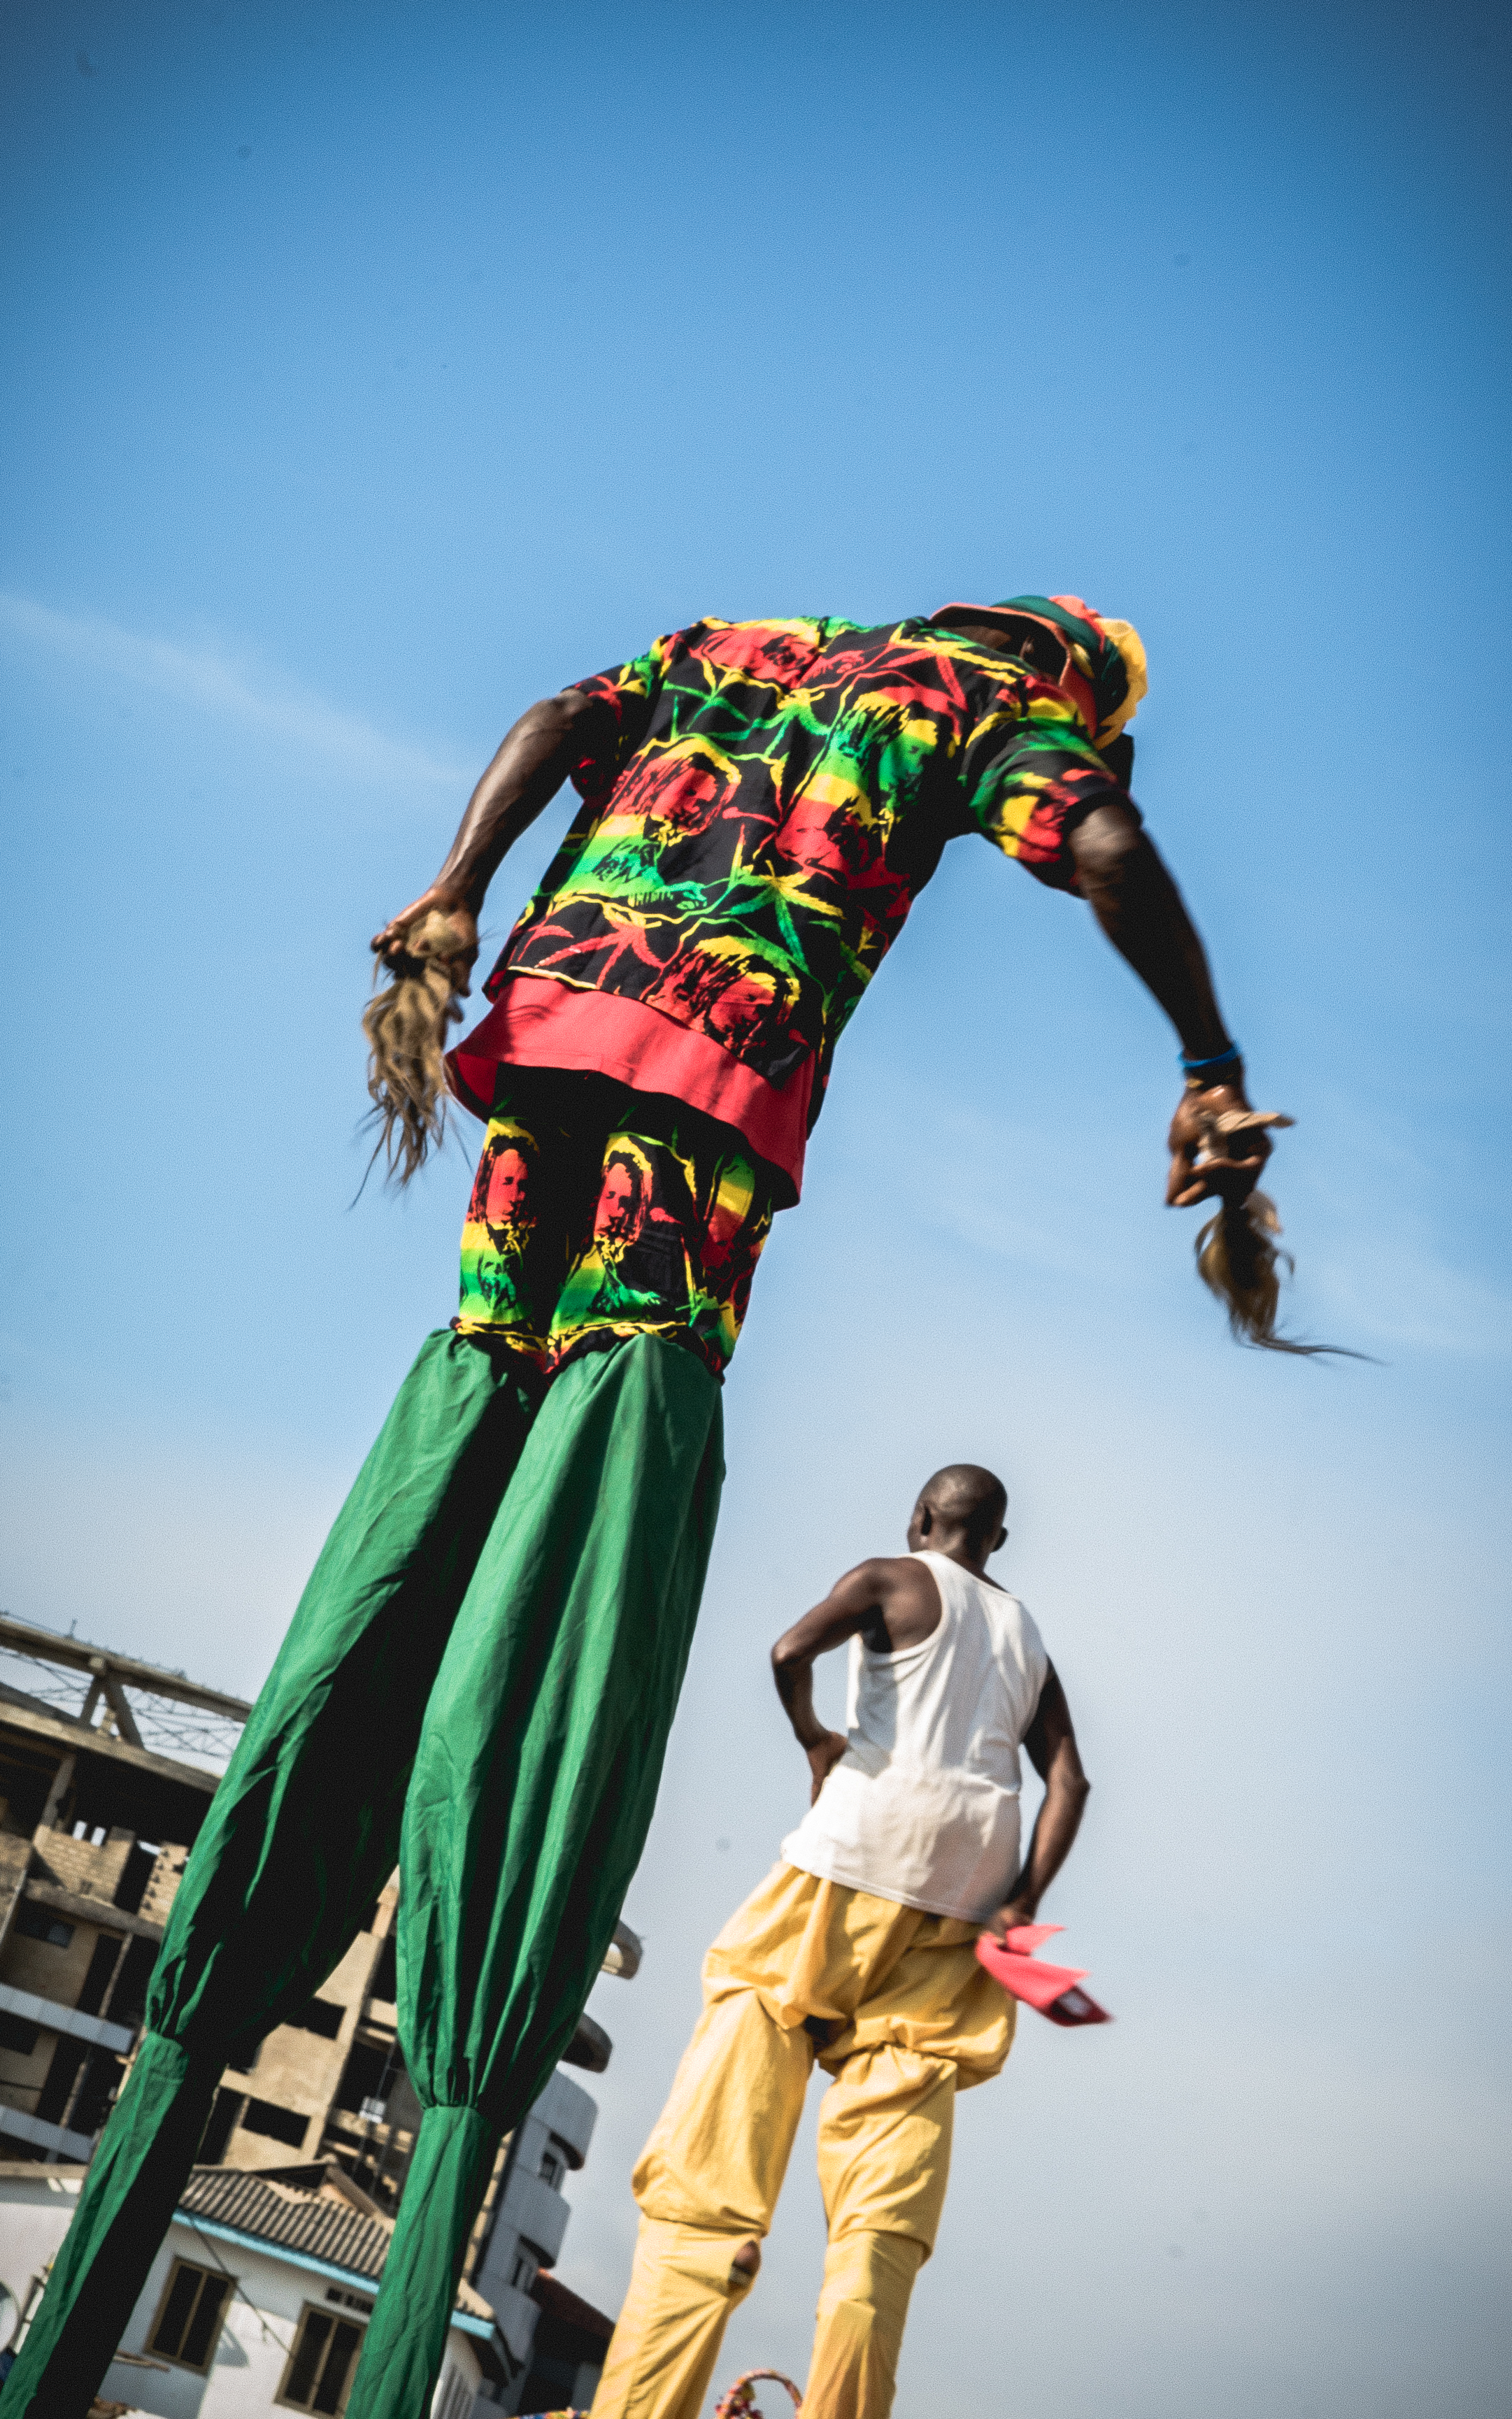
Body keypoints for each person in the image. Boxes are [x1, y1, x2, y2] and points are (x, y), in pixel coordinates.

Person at [4, 597, 1264, 2419]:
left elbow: (544, 712)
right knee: (630, 1376)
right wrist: (1204, 1061)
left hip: (541, 1041)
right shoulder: (994, 702)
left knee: (490, 1365)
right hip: (702, 1104)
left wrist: (450, 889)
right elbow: (1106, 845)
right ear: (1086, 682)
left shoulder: (737, 643)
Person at [591, 1462, 1089, 2419]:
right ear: (997, 1542)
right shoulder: (1025, 1634)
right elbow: (1069, 1782)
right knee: (885, 2195)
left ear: (920, 1519)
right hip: (966, 1896)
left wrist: (815, 1738)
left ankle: (662, 2360)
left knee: (735, 2087)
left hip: (850, 1858)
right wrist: (1022, 1901)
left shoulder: (889, 1577)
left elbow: (787, 1652)